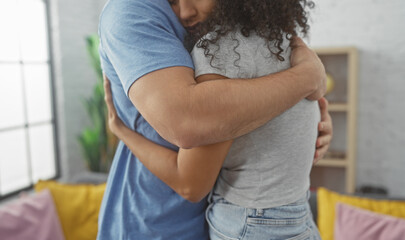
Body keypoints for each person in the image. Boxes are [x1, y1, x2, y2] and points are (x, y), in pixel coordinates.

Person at [97, 0, 331, 239]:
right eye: (174, 2)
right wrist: (307, 79)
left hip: (244, 219)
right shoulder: (130, 13)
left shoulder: (226, 46)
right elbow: (187, 124)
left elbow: (190, 182)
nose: (184, 12)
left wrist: (121, 131)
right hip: (152, 222)